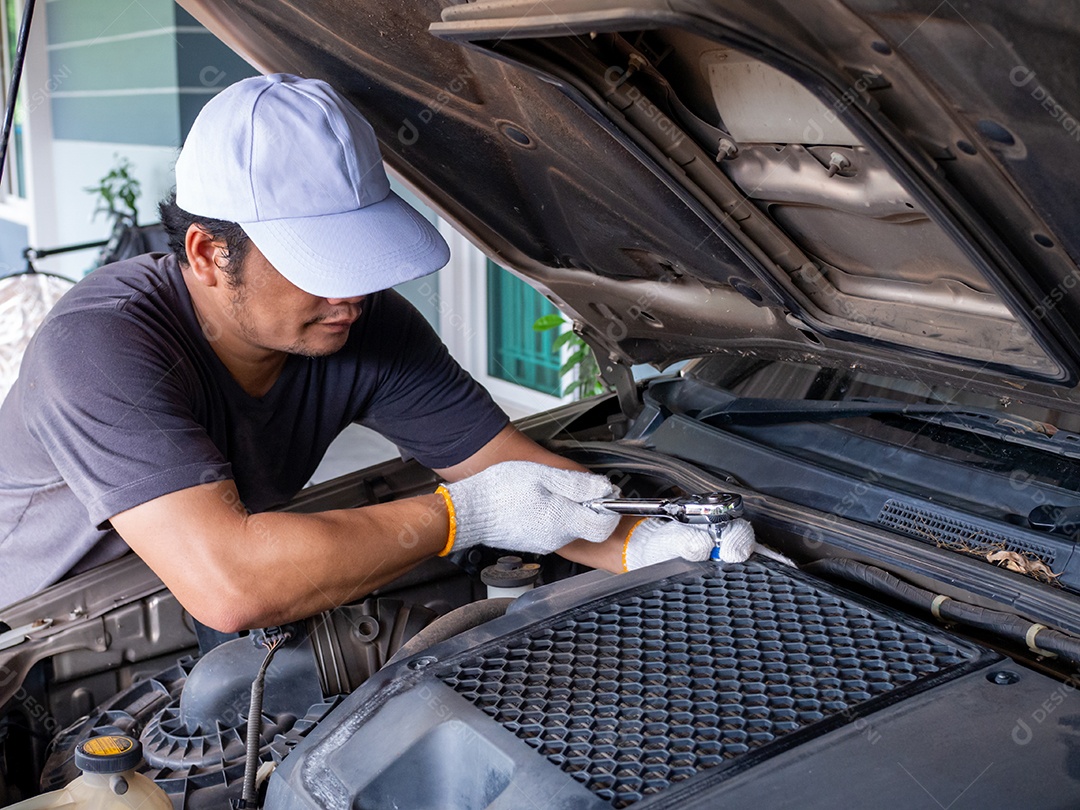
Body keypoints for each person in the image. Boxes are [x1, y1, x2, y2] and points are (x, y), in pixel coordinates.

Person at [0, 74, 749, 630]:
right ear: (206, 252)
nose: (350, 297)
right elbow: (233, 585)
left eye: (360, 260)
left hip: (176, 609)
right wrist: (465, 516)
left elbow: (517, 477)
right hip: (36, 642)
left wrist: (658, 542)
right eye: (318, 266)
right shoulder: (101, 347)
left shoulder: (360, 324)